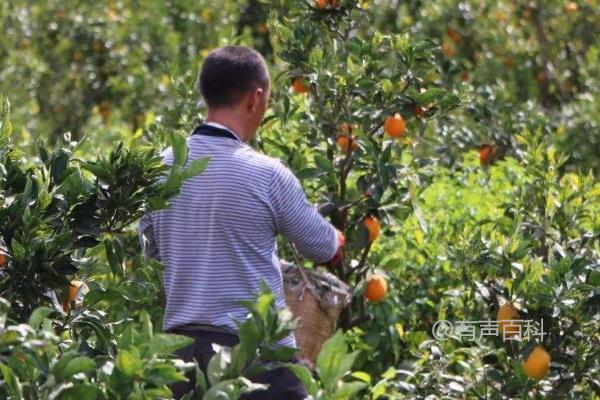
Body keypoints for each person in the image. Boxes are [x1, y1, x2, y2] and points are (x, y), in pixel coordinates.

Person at [138, 45, 344, 399]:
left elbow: (153, 252)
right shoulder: (266, 174)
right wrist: (337, 239)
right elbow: (322, 247)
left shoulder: (159, 168)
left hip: (180, 357)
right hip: (253, 356)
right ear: (256, 97)